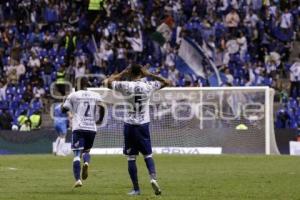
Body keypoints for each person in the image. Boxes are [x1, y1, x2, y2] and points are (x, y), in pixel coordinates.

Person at [104, 64, 171, 196]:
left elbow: (107, 82)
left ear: (130, 73)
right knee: (148, 155)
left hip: (129, 126)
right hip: (143, 125)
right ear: (142, 73)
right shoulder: (149, 86)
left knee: (131, 158)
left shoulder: (125, 86)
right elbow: (167, 82)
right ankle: (153, 178)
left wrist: (123, 72)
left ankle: (136, 189)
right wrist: (150, 75)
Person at [62, 78, 105, 188]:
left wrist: (65, 102)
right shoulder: (95, 95)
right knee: (86, 151)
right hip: (91, 128)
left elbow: (64, 109)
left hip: (79, 128)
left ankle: (78, 180)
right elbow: (102, 107)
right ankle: (86, 163)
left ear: (76, 85)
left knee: (76, 155)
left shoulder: (74, 95)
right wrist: (99, 119)